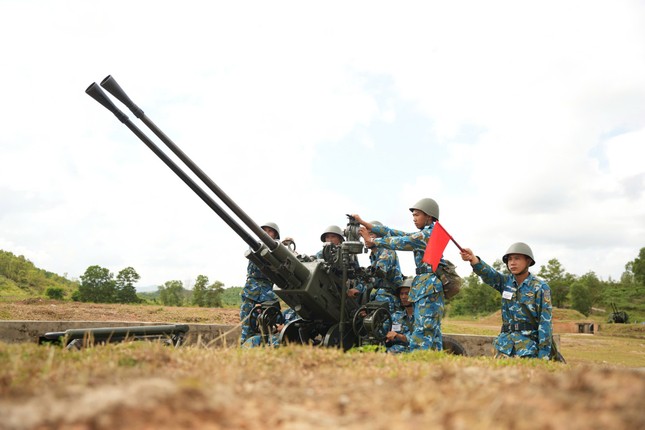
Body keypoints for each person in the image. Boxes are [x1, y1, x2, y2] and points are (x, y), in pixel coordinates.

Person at [353, 197, 445, 351]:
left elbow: (402, 241)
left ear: (429, 216)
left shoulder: (428, 235)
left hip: (429, 286)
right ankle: (434, 362)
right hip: (425, 285)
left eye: (417, 215)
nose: (414, 219)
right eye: (413, 216)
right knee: (430, 331)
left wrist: (375, 242)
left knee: (424, 330)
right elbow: (394, 233)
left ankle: (420, 362)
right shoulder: (424, 234)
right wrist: (365, 223)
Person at [459, 242, 553, 359]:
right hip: (504, 348)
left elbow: (545, 324)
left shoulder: (540, 287)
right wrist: (472, 259)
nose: (512, 263)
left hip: (527, 349)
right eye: (509, 259)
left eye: (517, 259)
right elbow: (489, 274)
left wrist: (544, 356)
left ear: (528, 261)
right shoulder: (505, 282)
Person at [239, 222, 281, 345]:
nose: (266, 233)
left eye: (270, 231)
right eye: (264, 230)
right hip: (251, 290)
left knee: (268, 324)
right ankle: (245, 346)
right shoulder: (255, 245)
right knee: (247, 322)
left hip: (268, 291)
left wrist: (283, 246)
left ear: (275, 235)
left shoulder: (279, 250)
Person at [356, 221, 403, 314]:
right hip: (380, 295)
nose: (366, 238)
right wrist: (357, 289)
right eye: (364, 235)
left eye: (370, 234)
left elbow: (377, 273)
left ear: (380, 237)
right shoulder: (373, 254)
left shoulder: (387, 251)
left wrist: (359, 287)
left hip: (389, 297)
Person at [385, 276, 414, 353]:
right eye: (401, 294)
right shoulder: (395, 316)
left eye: (407, 293)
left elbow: (421, 340)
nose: (403, 297)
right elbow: (381, 332)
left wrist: (398, 336)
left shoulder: (422, 317)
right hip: (392, 353)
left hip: (412, 354)